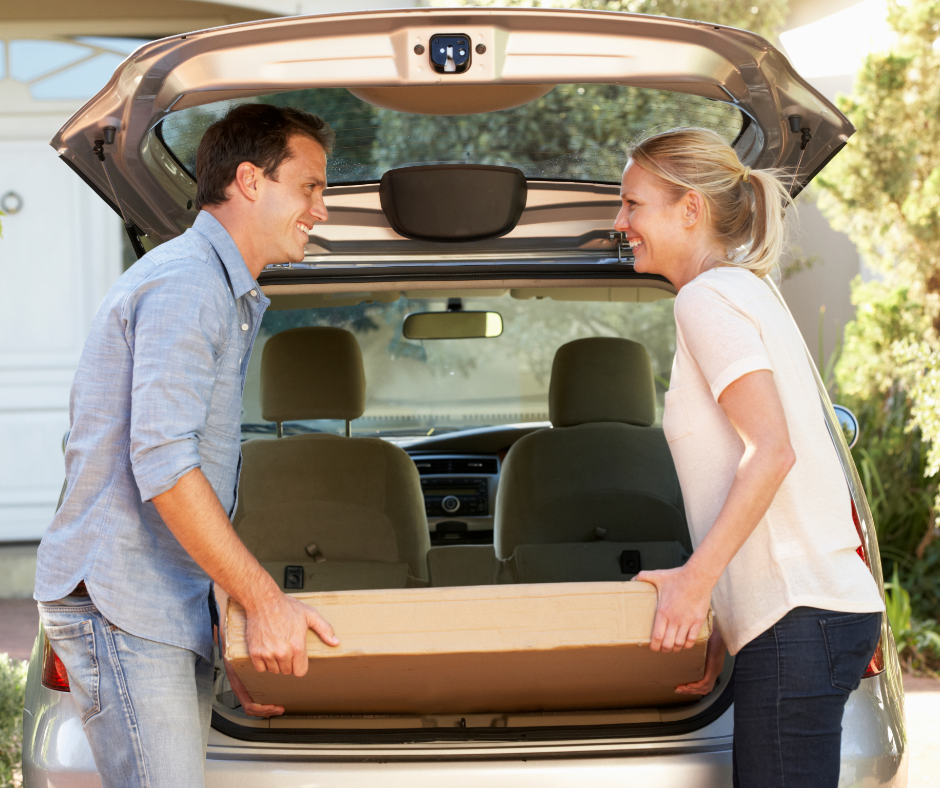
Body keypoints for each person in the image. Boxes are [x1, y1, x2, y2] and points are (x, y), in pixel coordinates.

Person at [34, 103, 338, 788]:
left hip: (152, 605)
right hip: (123, 604)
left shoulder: (217, 287)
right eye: (311, 187)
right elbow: (166, 468)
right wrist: (265, 603)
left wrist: (222, 636)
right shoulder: (188, 284)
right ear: (252, 181)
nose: (321, 210)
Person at [617, 127, 885, 788]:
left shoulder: (705, 299)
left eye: (632, 204)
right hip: (806, 616)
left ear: (690, 209)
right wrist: (724, 618)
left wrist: (695, 582)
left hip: (801, 620)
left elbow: (772, 453)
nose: (618, 221)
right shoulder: (746, 291)